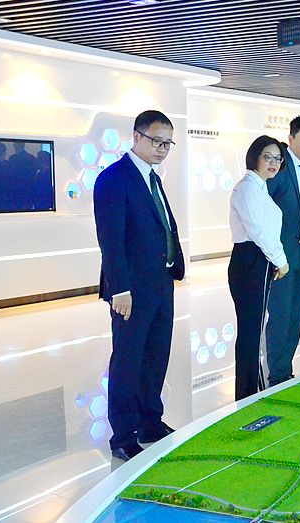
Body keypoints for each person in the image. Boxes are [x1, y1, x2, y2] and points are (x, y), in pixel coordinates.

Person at [93, 110, 185, 461]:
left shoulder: (152, 177)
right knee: (128, 360)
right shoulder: (114, 179)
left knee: (156, 355)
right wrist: (120, 290)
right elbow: (111, 240)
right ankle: (123, 435)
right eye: (156, 141)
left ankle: (150, 421)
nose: (162, 149)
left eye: (168, 143)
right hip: (131, 289)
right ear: (136, 137)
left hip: (160, 282)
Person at [229, 136, 290, 400]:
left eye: (278, 158)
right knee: (250, 331)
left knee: (253, 330)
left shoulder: (259, 187)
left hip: (258, 260)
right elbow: (258, 230)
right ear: (255, 156)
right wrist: (281, 260)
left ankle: (252, 391)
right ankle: (247, 395)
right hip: (250, 260)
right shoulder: (248, 188)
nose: (273, 162)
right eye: (268, 156)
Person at [265, 114, 300, 386]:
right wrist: (274, 254)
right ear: (291, 139)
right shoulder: (279, 167)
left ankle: (285, 370)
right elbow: (264, 208)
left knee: (296, 314)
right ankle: (277, 374)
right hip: (280, 255)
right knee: (281, 315)